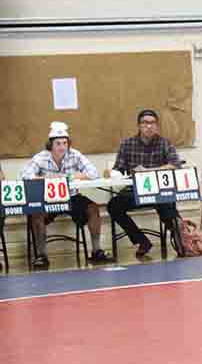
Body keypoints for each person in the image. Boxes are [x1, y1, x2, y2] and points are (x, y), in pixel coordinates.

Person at [22, 122, 114, 268]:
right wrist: (49, 178)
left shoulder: (75, 154)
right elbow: (26, 176)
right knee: (36, 214)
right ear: (50, 145)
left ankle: (96, 251)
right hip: (48, 197)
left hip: (72, 197)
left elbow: (93, 173)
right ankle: (41, 255)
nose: (62, 147)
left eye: (65, 143)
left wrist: (70, 177)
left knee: (93, 209)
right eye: (58, 143)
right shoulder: (41, 157)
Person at [107, 109, 183, 257]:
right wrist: (115, 173)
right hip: (134, 190)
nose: (149, 126)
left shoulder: (164, 143)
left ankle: (181, 243)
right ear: (139, 125)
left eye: (152, 123)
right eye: (145, 123)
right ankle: (142, 241)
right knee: (113, 206)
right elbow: (118, 169)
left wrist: (149, 171)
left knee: (169, 208)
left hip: (158, 190)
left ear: (157, 126)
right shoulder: (127, 144)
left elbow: (175, 164)